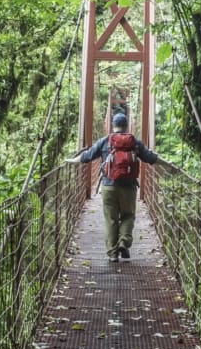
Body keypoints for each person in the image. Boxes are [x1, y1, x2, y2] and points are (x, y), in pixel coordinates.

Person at [65, 112, 160, 262]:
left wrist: (69, 160)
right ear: (127, 126)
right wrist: (171, 166)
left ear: (112, 126)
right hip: (129, 187)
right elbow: (152, 158)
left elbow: (86, 157)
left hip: (108, 187)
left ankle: (113, 254)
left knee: (111, 219)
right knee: (128, 216)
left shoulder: (105, 141)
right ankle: (124, 242)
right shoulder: (134, 142)